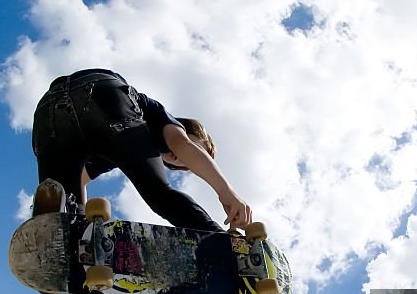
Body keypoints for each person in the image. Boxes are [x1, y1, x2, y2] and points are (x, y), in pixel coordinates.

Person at [30, 68, 251, 231]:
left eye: (183, 166)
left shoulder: (119, 151)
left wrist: (81, 223)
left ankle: (56, 239)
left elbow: (80, 178)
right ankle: (216, 239)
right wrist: (226, 191)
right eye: (196, 150)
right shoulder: (163, 119)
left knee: (61, 199)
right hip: (103, 94)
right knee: (160, 195)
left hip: (47, 114)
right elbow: (182, 145)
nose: (183, 159)